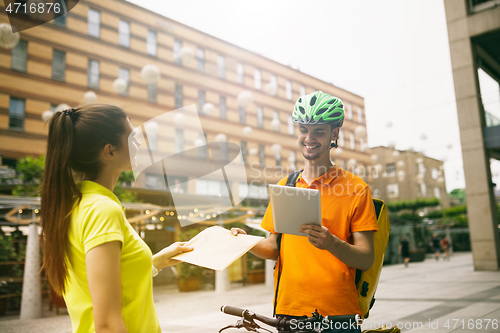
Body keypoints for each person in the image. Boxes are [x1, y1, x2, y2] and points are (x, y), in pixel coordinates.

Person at [232, 91, 379, 333]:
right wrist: (243, 242)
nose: (309, 138)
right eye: (303, 130)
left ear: (335, 134)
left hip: (337, 316)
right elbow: (273, 247)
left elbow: (366, 258)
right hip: (288, 311)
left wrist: (331, 242)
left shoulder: (356, 188)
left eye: (318, 131)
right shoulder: (285, 187)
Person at [41, 105, 193, 333]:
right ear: (110, 151)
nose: (139, 143)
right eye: (132, 137)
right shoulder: (102, 210)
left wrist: (157, 262)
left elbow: (103, 280)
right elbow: (108, 325)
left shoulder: (78, 204)